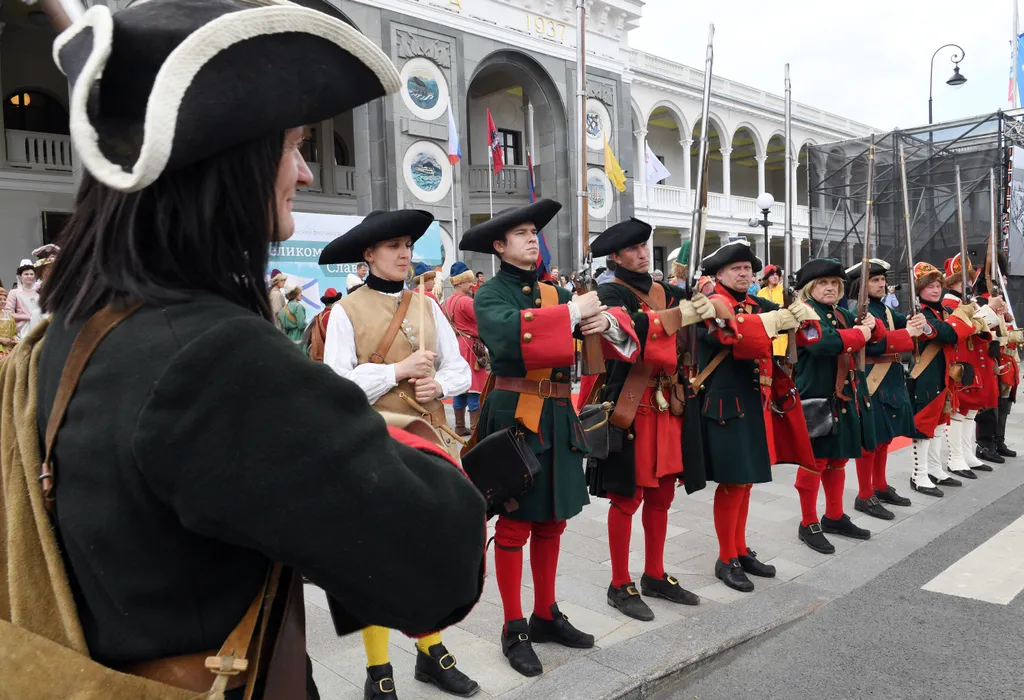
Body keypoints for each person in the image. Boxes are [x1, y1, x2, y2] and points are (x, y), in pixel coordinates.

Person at [7, 3, 487, 699]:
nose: (306, 172)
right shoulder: (211, 358)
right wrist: (404, 439)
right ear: (231, 162)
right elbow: (438, 569)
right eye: (293, 146)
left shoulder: (76, 325)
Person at [461, 199, 636, 677]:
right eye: (520, 234)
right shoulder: (490, 294)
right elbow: (506, 337)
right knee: (516, 524)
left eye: (533, 232)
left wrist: (601, 325)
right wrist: (572, 314)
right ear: (499, 246)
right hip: (517, 412)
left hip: (558, 412)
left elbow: (601, 349)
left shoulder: (554, 291)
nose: (531, 238)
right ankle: (513, 627)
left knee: (553, 520)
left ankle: (545, 614)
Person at [321, 209, 478, 698]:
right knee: (374, 560)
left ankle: (432, 654)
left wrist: (438, 385)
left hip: (426, 442)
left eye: (408, 245)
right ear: (368, 255)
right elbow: (334, 386)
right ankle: (378, 671)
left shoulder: (429, 306)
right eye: (394, 246)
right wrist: (396, 372)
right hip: (369, 447)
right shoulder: (343, 313)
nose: (405, 254)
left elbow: (462, 371)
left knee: (426, 553)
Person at [583, 217, 715, 621]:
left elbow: (692, 318)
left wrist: (704, 295)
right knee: (628, 497)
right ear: (616, 256)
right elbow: (632, 332)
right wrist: (683, 314)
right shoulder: (608, 292)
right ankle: (619, 583)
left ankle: (655, 573)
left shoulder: (663, 289)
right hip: (631, 403)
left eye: (645, 247)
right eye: (633, 250)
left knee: (662, 495)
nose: (642, 254)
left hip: (669, 402)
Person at [696, 240, 817, 591]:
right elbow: (738, 336)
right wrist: (774, 320)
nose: (744, 273)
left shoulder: (752, 302)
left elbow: (809, 337)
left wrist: (804, 315)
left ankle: (739, 548)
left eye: (748, 269)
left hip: (755, 400)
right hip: (725, 405)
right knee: (733, 482)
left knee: (746, 482)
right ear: (719, 274)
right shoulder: (710, 302)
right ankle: (725, 557)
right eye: (736, 269)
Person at [792, 258, 883, 552]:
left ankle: (833, 515)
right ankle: (808, 523)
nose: (830, 288)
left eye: (834, 283)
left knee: (837, 458)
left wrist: (873, 325)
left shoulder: (838, 312)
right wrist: (860, 334)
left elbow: (870, 331)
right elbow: (820, 343)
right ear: (809, 288)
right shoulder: (803, 313)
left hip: (842, 396)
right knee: (814, 462)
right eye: (822, 283)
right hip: (814, 395)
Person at [846, 259, 924, 520]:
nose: (882, 284)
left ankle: (879, 486)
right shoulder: (859, 309)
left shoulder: (882, 309)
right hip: (871, 378)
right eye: (875, 280)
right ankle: (865, 494)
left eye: (882, 280)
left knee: (884, 438)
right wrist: (907, 334)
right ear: (861, 285)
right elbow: (873, 345)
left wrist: (919, 321)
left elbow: (905, 324)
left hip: (889, 378)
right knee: (871, 440)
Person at [908, 262, 981, 497]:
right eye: (929, 286)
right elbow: (949, 334)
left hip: (943, 373)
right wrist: (963, 317)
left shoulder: (940, 311)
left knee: (939, 423)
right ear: (919, 290)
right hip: (927, 373)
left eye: (938, 285)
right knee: (924, 424)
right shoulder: (919, 313)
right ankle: (918, 475)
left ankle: (933, 468)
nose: (935, 290)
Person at [940, 254, 1004, 478]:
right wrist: (990, 310)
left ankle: (966, 453)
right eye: (961, 281)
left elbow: (983, 327)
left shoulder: (967, 302)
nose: (966, 284)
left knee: (971, 410)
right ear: (950, 283)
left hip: (976, 360)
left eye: (968, 280)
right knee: (959, 411)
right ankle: (954, 457)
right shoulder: (948, 304)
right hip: (962, 360)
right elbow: (969, 326)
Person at [444, 261, 489, 437]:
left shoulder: (446, 302)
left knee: (459, 386)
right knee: (474, 386)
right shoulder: (466, 302)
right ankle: (475, 427)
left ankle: (460, 426)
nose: (471, 284)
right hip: (470, 347)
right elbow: (483, 322)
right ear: (460, 282)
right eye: (469, 281)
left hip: (455, 347)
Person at [757, 264, 788, 360]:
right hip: (767, 332)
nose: (775, 277)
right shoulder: (761, 293)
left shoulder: (785, 291)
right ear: (767, 277)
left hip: (782, 332)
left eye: (777, 274)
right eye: (772, 274)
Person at [5, 259, 39, 338]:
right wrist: (29, 317)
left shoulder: (38, 293)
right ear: (20, 276)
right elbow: (8, 314)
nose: (29, 276)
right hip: (21, 330)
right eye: (26, 274)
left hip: (38, 326)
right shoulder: (14, 292)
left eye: (31, 274)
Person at [307, 287, 342, 362]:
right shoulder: (335, 316)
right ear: (336, 301)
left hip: (321, 356)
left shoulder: (317, 317)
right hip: (334, 356)